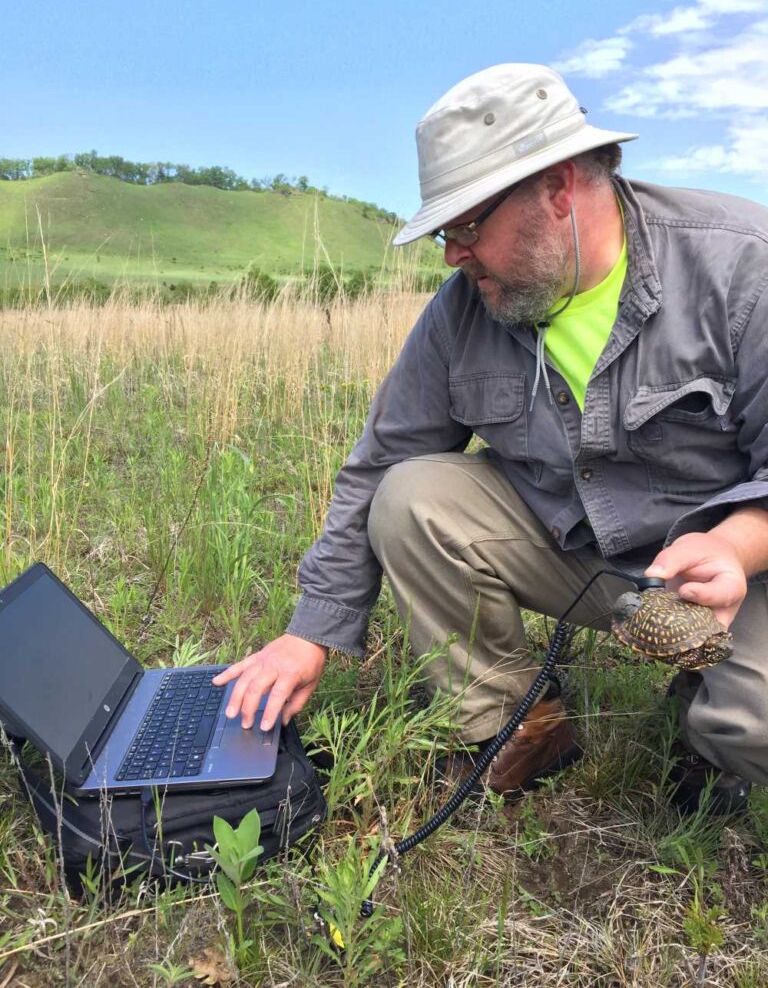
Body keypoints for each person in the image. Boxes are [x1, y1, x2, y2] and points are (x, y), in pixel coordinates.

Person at [214, 63, 768, 813]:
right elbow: (382, 464)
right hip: (589, 561)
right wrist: (310, 633)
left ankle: (706, 730)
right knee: (412, 495)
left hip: (740, 573)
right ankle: (517, 724)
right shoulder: (462, 313)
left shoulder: (741, 266)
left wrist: (735, 548)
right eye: (445, 232)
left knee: (752, 722)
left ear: (560, 188)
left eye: (468, 226)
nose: (451, 254)